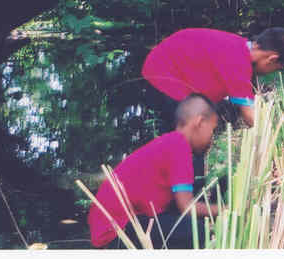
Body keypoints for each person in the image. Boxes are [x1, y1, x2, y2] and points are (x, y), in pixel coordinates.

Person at [88, 94, 220, 249]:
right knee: (200, 232)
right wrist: (226, 211)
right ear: (200, 122)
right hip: (116, 230)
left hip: (120, 224)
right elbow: (187, 208)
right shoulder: (179, 146)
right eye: (213, 130)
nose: (212, 138)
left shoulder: (171, 143)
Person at [141, 26, 284, 128]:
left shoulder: (241, 47)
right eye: (275, 69)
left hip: (165, 68)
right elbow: (250, 116)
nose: (269, 73)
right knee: (190, 140)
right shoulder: (238, 62)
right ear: (272, 59)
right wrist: (276, 138)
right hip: (162, 76)